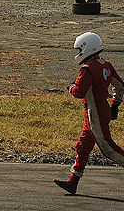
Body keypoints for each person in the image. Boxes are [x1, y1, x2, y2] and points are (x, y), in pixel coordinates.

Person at [53, 32, 124, 195]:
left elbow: (78, 92)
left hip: (94, 115)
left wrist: (70, 87)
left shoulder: (87, 69)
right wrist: (115, 105)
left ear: (87, 48)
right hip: (100, 112)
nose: (78, 53)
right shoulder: (106, 64)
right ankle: (73, 181)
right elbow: (120, 86)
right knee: (83, 147)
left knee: (108, 149)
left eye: (79, 49)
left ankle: (73, 181)